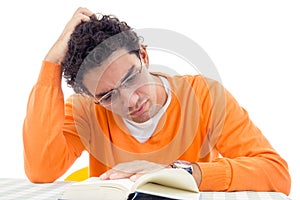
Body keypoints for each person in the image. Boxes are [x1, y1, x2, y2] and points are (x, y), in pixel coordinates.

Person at [23, 7, 291, 195]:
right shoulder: (86, 110)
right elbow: (40, 170)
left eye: (131, 77)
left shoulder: (204, 95)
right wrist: (50, 66)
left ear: (144, 56)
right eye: (107, 96)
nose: (131, 100)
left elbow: (276, 173)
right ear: (93, 97)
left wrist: (180, 173)